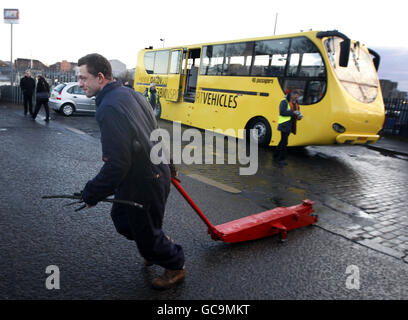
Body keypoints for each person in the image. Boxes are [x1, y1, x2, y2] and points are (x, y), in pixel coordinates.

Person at [77, 53, 185, 290]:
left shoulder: (110, 107)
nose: (80, 83)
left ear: (100, 77)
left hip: (146, 180)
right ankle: (156, 244)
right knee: (122, 220)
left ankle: (175, 264)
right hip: (145, 175)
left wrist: (91, 194)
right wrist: (170, 165)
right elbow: (154, 132)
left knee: (146, 235)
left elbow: (117, 163)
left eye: (84, 78)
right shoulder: (129, 93)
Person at [273, 89, 303, 165]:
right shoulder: (284, 101)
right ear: (291, 95)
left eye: (298, 97)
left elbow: (296, 112)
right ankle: (280, 159)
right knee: (284, 142)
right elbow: (282, 112)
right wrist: (293, 112)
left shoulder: (296, 103)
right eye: (296, 96)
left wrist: (299, 116)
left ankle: (276, 155)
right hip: (284, 124)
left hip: (291, 124)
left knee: (282, 141)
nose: (297, 98)